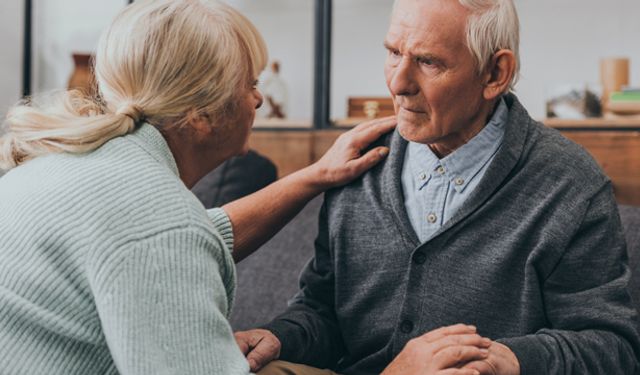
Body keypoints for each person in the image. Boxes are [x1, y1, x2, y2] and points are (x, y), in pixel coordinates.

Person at [235, 0, 640, 374]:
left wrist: (509, 360)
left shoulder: (570, 185)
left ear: (495, 73)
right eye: (393, 52)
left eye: (428, 62)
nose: (398, 83)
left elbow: (612, 347)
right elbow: (322, 310)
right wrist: (280, 336)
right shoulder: (356, 161)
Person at [0, 1, 398, 374]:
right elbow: (167, 238)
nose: (259, 99)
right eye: (250, 84)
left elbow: (188, 235)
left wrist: (314, 175)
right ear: (202, 116)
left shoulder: (74, 166)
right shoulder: (160, 224)